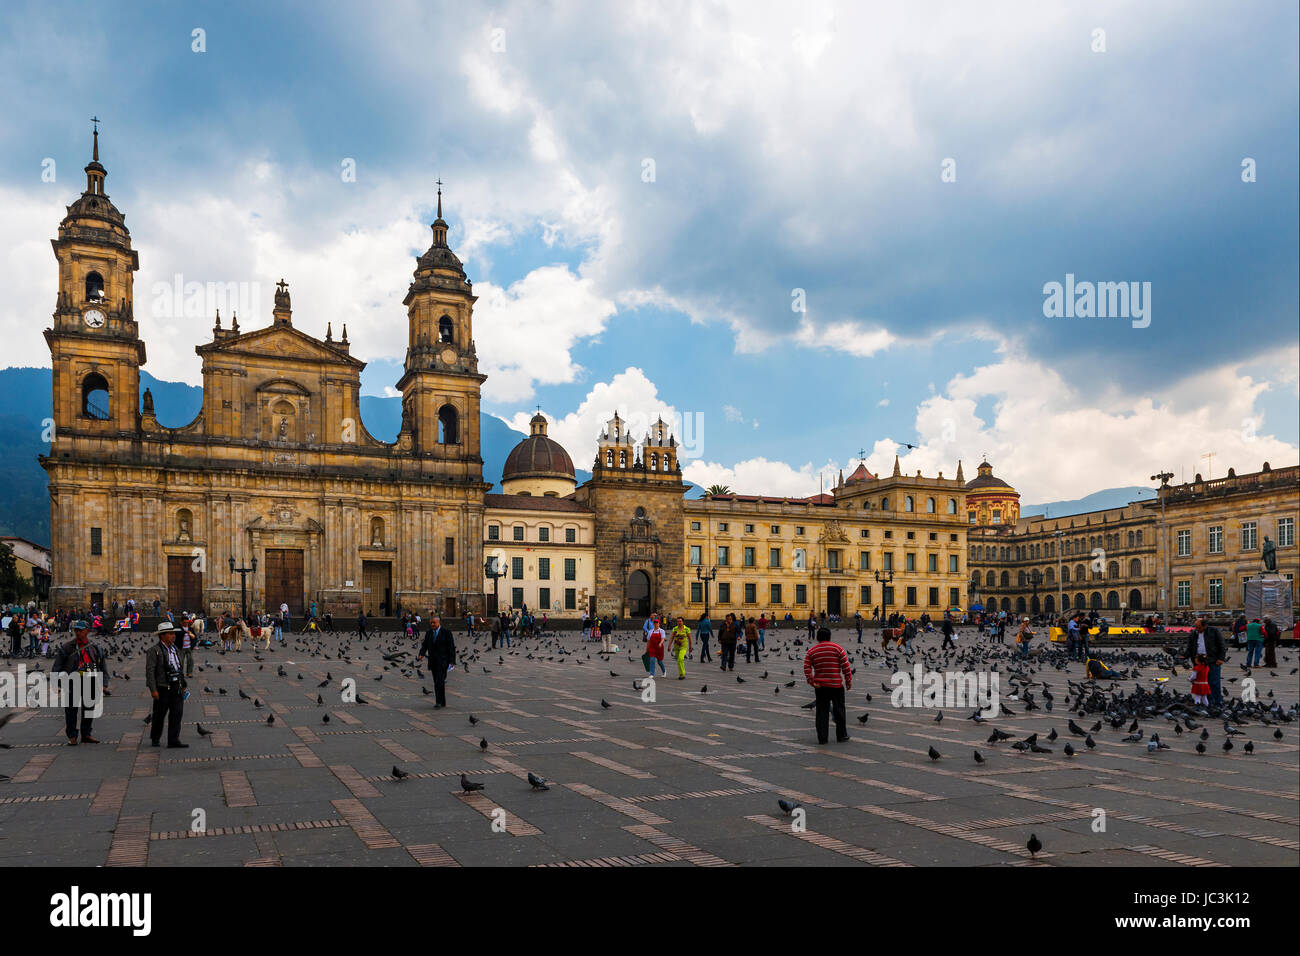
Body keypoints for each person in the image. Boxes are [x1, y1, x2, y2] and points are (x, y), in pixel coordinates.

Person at [51, 619, 108, 745]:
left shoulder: (95, 647)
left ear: (87, 631)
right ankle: (72, 736)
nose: (78, 633)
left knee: (89, 709)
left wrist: (104, 683)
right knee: (71, 711)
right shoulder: (67, 647)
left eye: (80, 630)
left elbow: (102, 665)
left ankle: (86, 734)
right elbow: (57, 666)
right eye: (76, 630)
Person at [804, 626, 852, 745]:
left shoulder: (812, 651)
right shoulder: (837, 649)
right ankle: (841, 735)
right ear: (830, 637)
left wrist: (811, 681)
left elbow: (806, 667)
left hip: (820, 686)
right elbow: (846, 666)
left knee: (822, 712)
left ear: (817, 637)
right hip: (836, 685)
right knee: (839, 710)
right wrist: (848, 680)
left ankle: (822, 738)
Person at [145, 621, 188, 748]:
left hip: (176, 687)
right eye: (170, 634)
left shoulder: (175, 649)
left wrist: (183, 683)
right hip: (163, 688)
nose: (173, 636)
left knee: (177, 714)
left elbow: (179, 668)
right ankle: (155, 738)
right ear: (162, 636)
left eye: (173, 633)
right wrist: (153, 690)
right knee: (159, 715)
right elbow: (150, 671)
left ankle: (173, 740)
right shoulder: (154, 651)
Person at [1183, 618, 1226, 710]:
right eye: (1195, 627)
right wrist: (1184, 655)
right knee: (1200, 683)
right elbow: (1190, 647)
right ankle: (1204, 702)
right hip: (1198, 661)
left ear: (1205, 626)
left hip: (1212, 660)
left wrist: (1221, 658)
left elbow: (1221, 645)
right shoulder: (1193, 634)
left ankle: (1216, 702)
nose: (1196, 629)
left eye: (1198, 627)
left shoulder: (1214, 631)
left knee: (1214, 682)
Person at [416, 615, 456, 708]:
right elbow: (425, 645)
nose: (432, 624)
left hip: (443, 661)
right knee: (437, 681)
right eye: (431, 623)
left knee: (440, 681)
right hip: (433, 661)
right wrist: (421, 654)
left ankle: (438, 702)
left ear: (439, 622)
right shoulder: (429, 633)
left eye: (434, 622)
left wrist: (452, 661)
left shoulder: (446, 633)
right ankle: (443, 701)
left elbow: (451, 648)